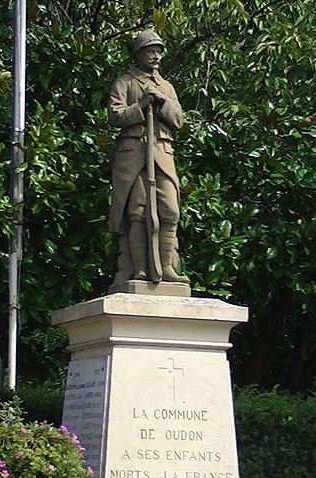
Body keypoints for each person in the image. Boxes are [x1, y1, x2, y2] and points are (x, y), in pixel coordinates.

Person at [108, 29, 189, 286]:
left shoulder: (166, 86)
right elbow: (115, 115)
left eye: (158, 51)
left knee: (170, 209)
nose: (155, 56)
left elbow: (178, 120)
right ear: (139, 55)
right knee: (137, 211)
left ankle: (167, 266)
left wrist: (162, 100)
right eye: (150, 51)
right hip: (134, 155)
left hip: (162, 153)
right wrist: (141, 105)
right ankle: (139, 268)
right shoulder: (125, 82)